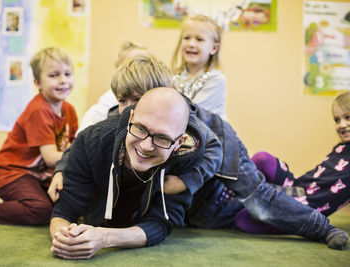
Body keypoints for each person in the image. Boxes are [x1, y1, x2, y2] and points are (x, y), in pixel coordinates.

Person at [50, 57, 347, 260]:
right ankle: (272, 171)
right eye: (123, 102)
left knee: (259, 201)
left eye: (135, 101)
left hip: (225, 150)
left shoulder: (194, 133)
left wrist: (186, 181)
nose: (127, 109)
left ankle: (319, 226)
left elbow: (213, 150)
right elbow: (84, 144)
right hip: (194, 175)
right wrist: (63, 167)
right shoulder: (122, 120)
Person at [50, 87, 221, 259]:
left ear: (179, 142)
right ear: (131, 117)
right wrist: (65, 239)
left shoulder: (185, 160)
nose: (145, 146)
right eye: (140, 128)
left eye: (162, 137)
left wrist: (104, 238)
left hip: (212, 206)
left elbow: (161, 223)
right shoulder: (91, 141)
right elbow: (64, 211)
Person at [0, 47, 78, 225]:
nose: (63, 81)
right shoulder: (39, 111)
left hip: (38, 175)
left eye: (67, 74)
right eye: (54, 75)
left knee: (67, 201)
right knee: (40, 210)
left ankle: (26, 201)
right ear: (37, 83)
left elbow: (73, 146)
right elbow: (52, 158)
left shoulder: (70, 110)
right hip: (10, 173)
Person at [235, 91, 350, 234]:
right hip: (297, 186)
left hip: (303, 207)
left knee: (243, 218)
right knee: (262, 159)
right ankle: (236, 189)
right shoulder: (341, 147)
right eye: (337, 120)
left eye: (347, 117)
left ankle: (237, 200)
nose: (342, 125)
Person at [78, 41, 150, 132]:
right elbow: (94, 115)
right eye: (128, 66)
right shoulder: (110, 97)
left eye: (141, 66)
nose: (134, 71)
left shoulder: (154, 93)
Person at [171, 14, 227, 120]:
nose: (191, 44)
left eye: (199, 39)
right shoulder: (173, 76)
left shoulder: (216, 80)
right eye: (187, 38)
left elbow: (193, 115)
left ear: (214, 48)